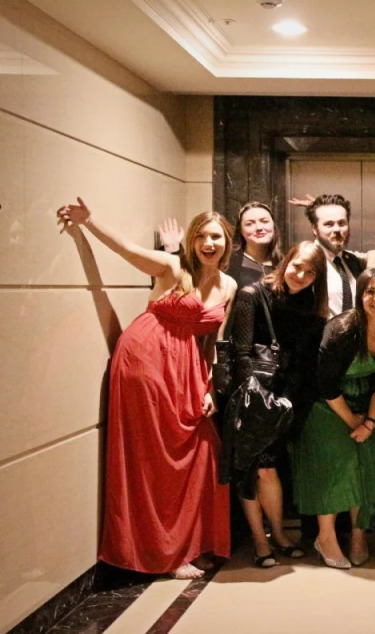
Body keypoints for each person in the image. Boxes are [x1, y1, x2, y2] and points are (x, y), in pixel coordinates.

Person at [57, 199, 236, 579]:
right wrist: (88, 222)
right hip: (146, 359)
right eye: (200, 236)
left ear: (227, 242)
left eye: (215, 237)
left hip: (188, 366)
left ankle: (189, 543)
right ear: (191, 241)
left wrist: (209, 388)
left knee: (204, 450)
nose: (208, 243)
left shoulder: (229, 285)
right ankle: (165, 554)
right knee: (157, 458)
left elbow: (213, 343)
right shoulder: (172, 267)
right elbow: (126, 249)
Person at [294, 268, 375, 568]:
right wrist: (354, 423)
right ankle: (325, 537)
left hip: (365, 401)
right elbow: (326, 385)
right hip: (326, 404)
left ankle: (359, 534)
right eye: (369, 291)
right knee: (337, 465)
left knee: (366, 464)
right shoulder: (342, 330)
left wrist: (369, 423)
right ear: (360, 297)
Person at [226, 241, 328, 567]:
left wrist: (291, 407)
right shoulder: (253, 294)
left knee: (269, 469)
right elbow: (241, 353)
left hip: (285, 402)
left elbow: (307, 365)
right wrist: (255, 401)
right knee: (252, 470)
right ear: (286, 261)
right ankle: (261, 541)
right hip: (253, 398)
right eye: (297, 266)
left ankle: (279, 534)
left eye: (310, 272)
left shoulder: (312, 309)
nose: (301, 275)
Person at [307, 194, 364, 317]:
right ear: (314, 229)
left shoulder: (353, 261)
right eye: (329, 224)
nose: (337, 229)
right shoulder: (305, 262)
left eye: (342, 223)